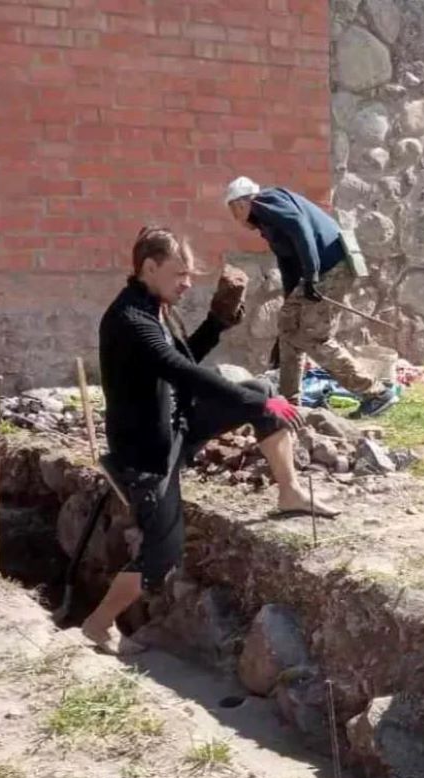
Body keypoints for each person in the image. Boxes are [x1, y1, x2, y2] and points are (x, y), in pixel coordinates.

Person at [81, 226, 338, 655]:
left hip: (175, 427)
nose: (187, 282)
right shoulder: (130, 319)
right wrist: (244, 398)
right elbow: (180, 371)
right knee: (161, 556)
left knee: (260, 394)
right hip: (147, 453)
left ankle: (290, 492)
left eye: (190, 274)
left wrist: (216, 323)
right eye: (180, 273)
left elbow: (181, 360)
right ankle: (97, 624)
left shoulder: (154, 308)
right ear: (149, 267)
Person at [223, 177, 399, 418]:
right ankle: (290, 401)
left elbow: (299, 225)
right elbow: (287, 261)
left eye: (234, 210)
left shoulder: (264, 202)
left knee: (314, 337)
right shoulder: (268, 219)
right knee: (288, 328)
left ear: (242, 204)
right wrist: (290, 298)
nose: (235, 218)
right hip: (320, 269)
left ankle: (376, 392)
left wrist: (311, 275)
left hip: (329, 267)